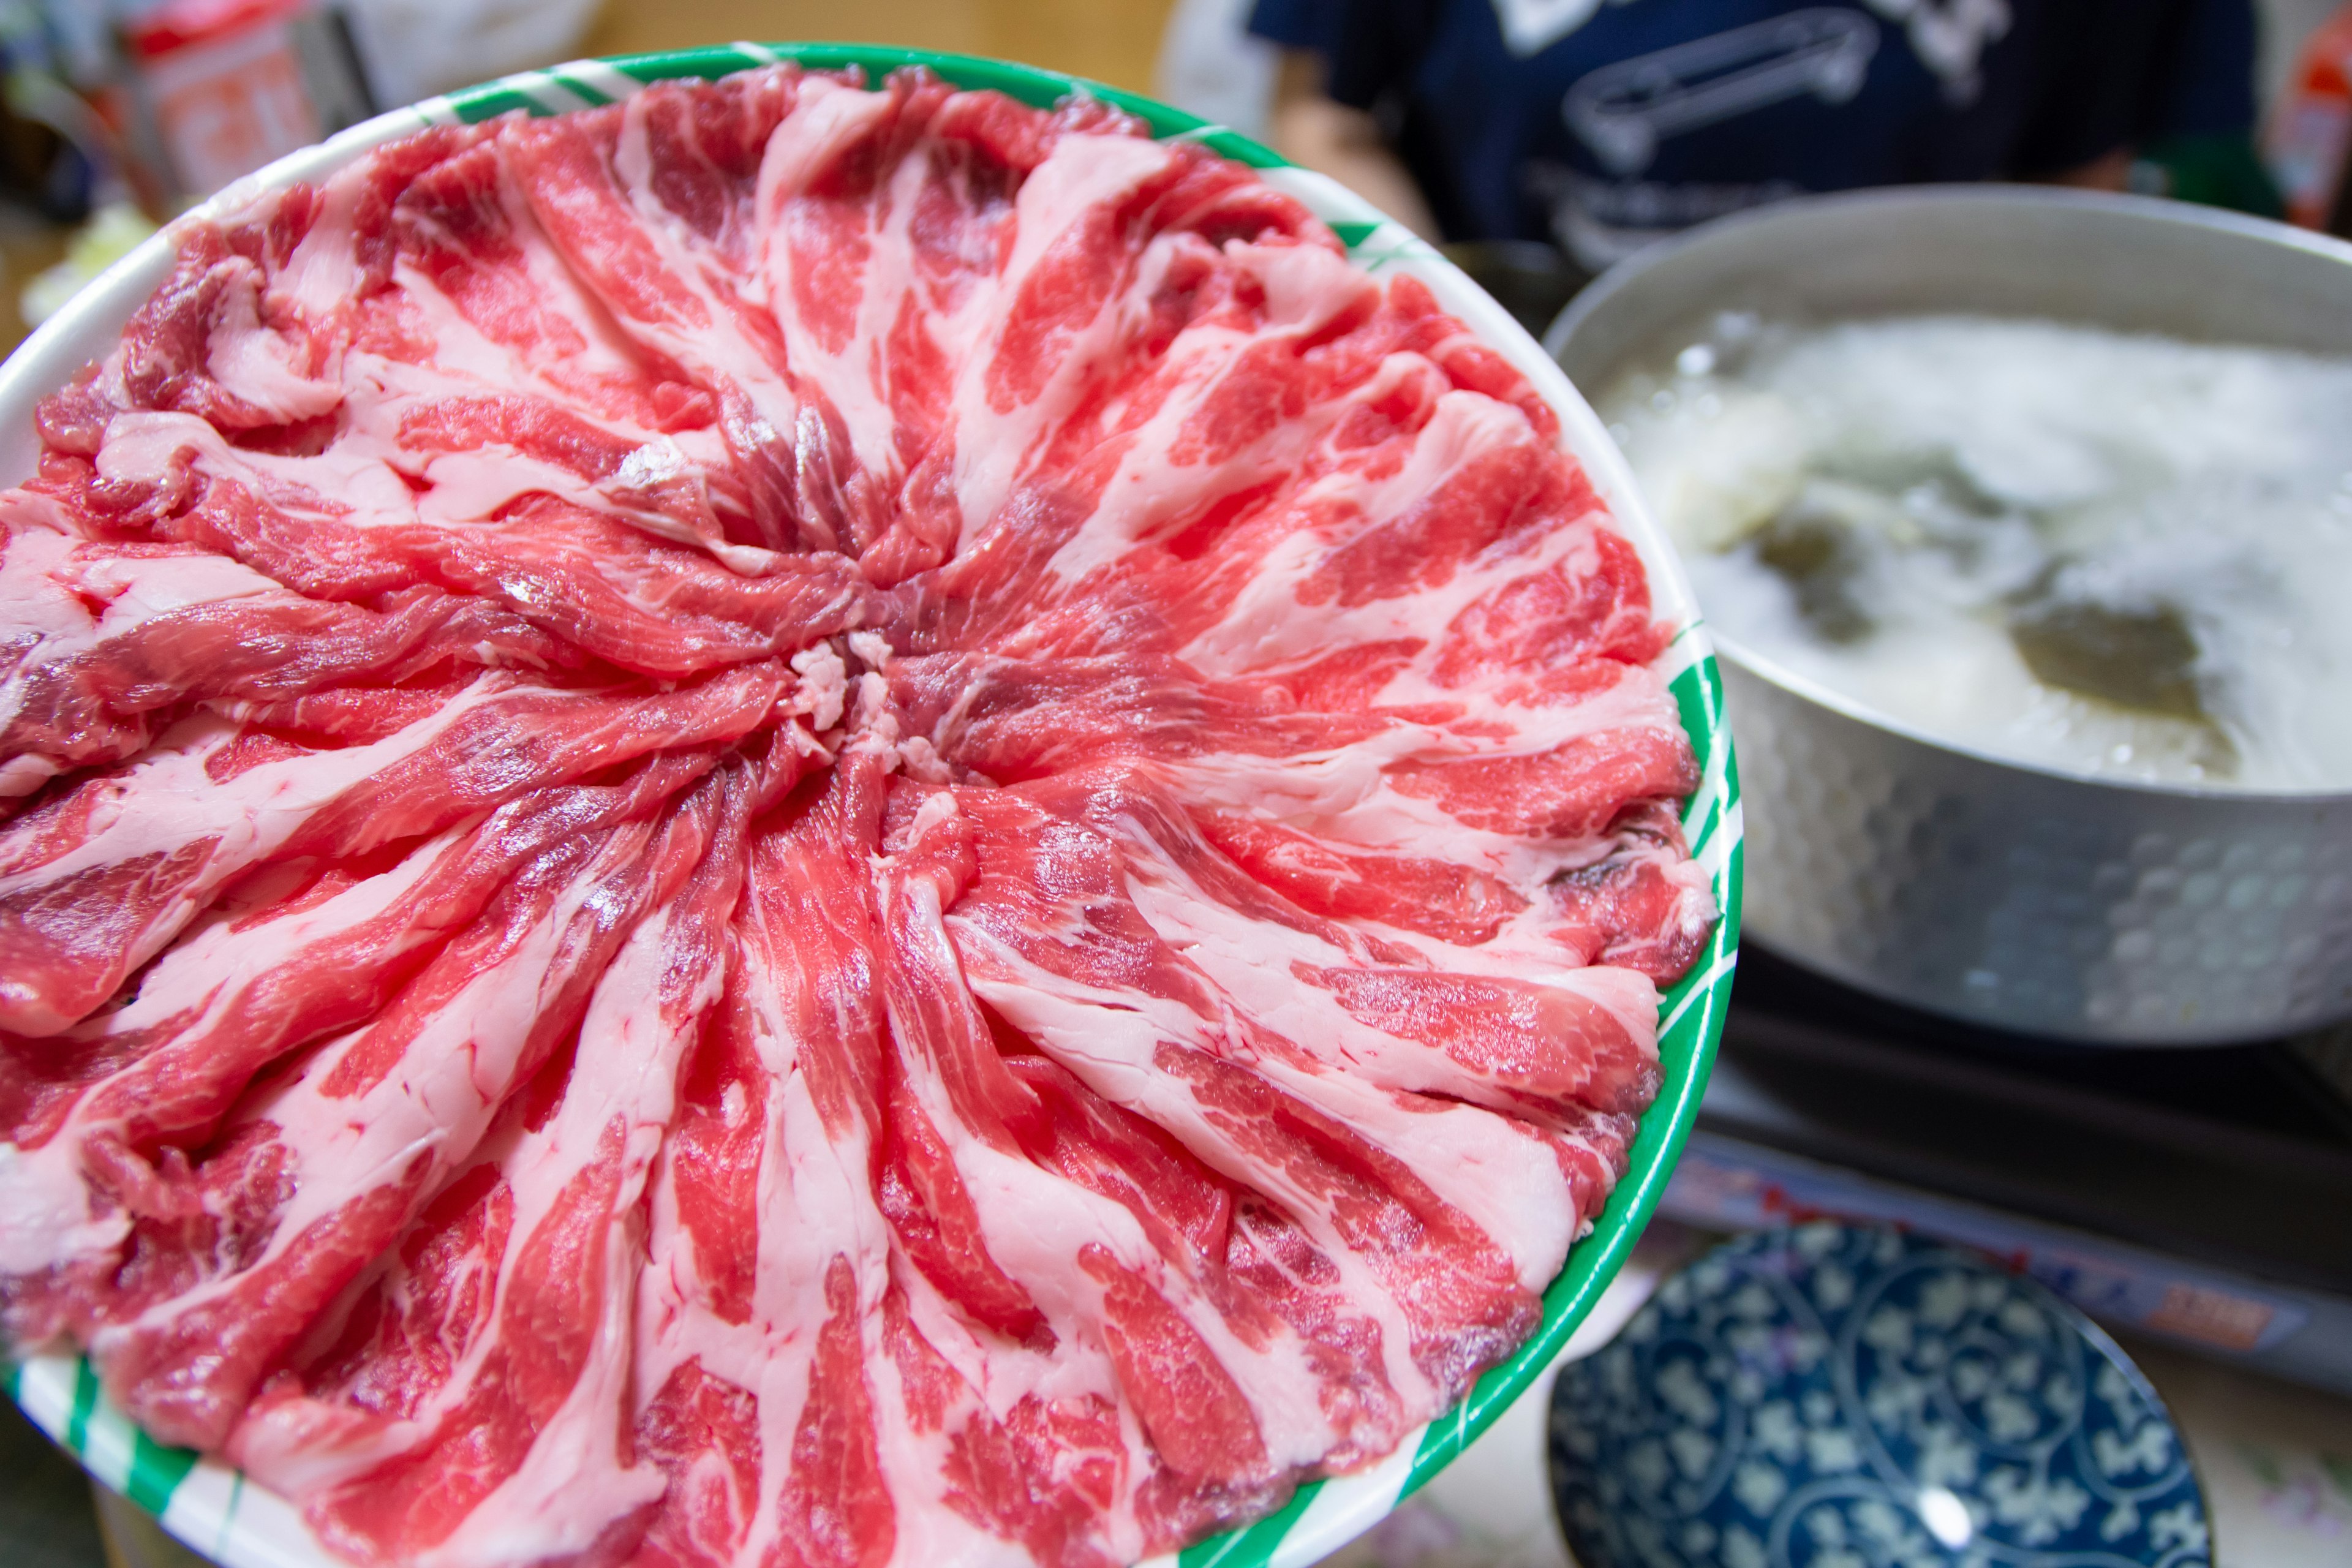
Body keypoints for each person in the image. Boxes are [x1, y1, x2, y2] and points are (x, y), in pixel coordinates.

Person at [1246, 0, 2265, 267]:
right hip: (1508, 328)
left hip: (1857, 377)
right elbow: (1325, 113)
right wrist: (1455, 336)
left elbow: (2068, 192)